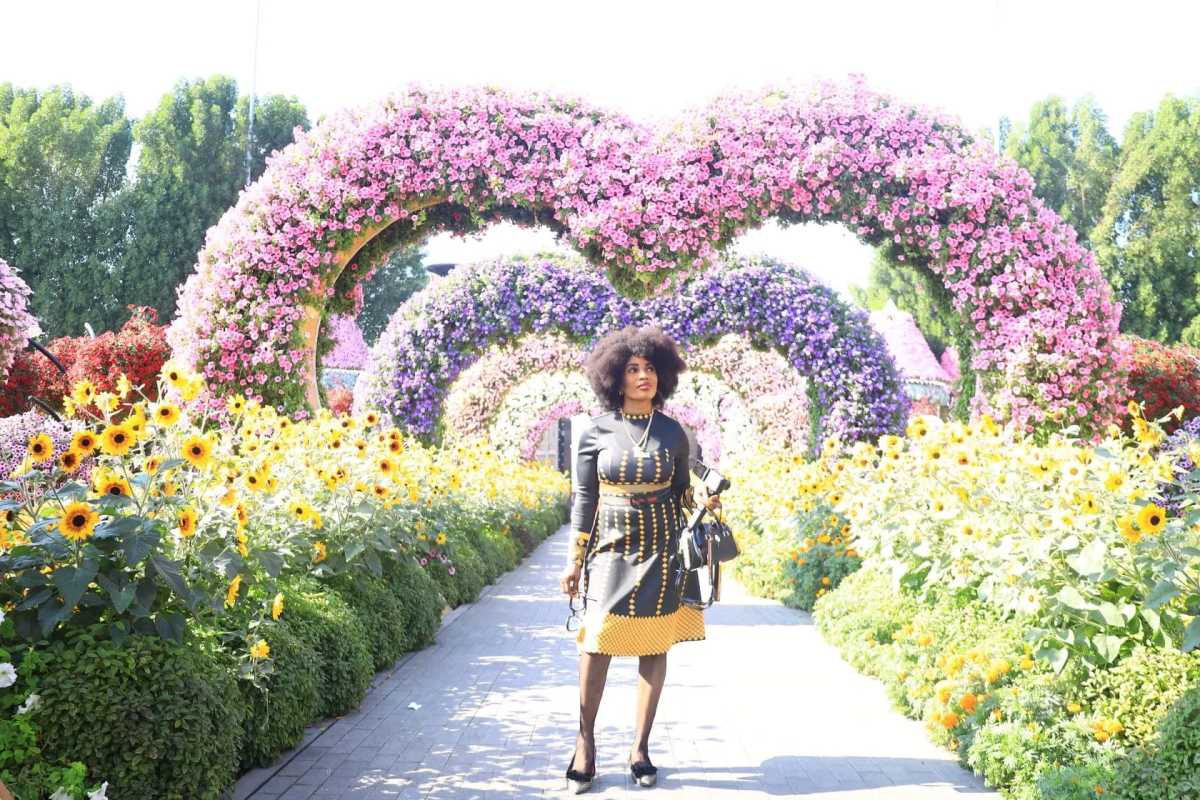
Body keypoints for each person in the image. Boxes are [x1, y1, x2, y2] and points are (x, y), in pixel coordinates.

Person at [559, 325, 721, 793]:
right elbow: (585, 498)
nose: (643, 376)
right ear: (615, 376)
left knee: (654, 646)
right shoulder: (595, 431)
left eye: (650, 368)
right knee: (597, 643)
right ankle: (585, 744)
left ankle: (640, 748)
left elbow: (681, 492)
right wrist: (574, 560)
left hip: (661, 546)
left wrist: (701, 498)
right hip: (609, 547)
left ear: (662, 375)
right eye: (632, 369)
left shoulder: (673, 432)